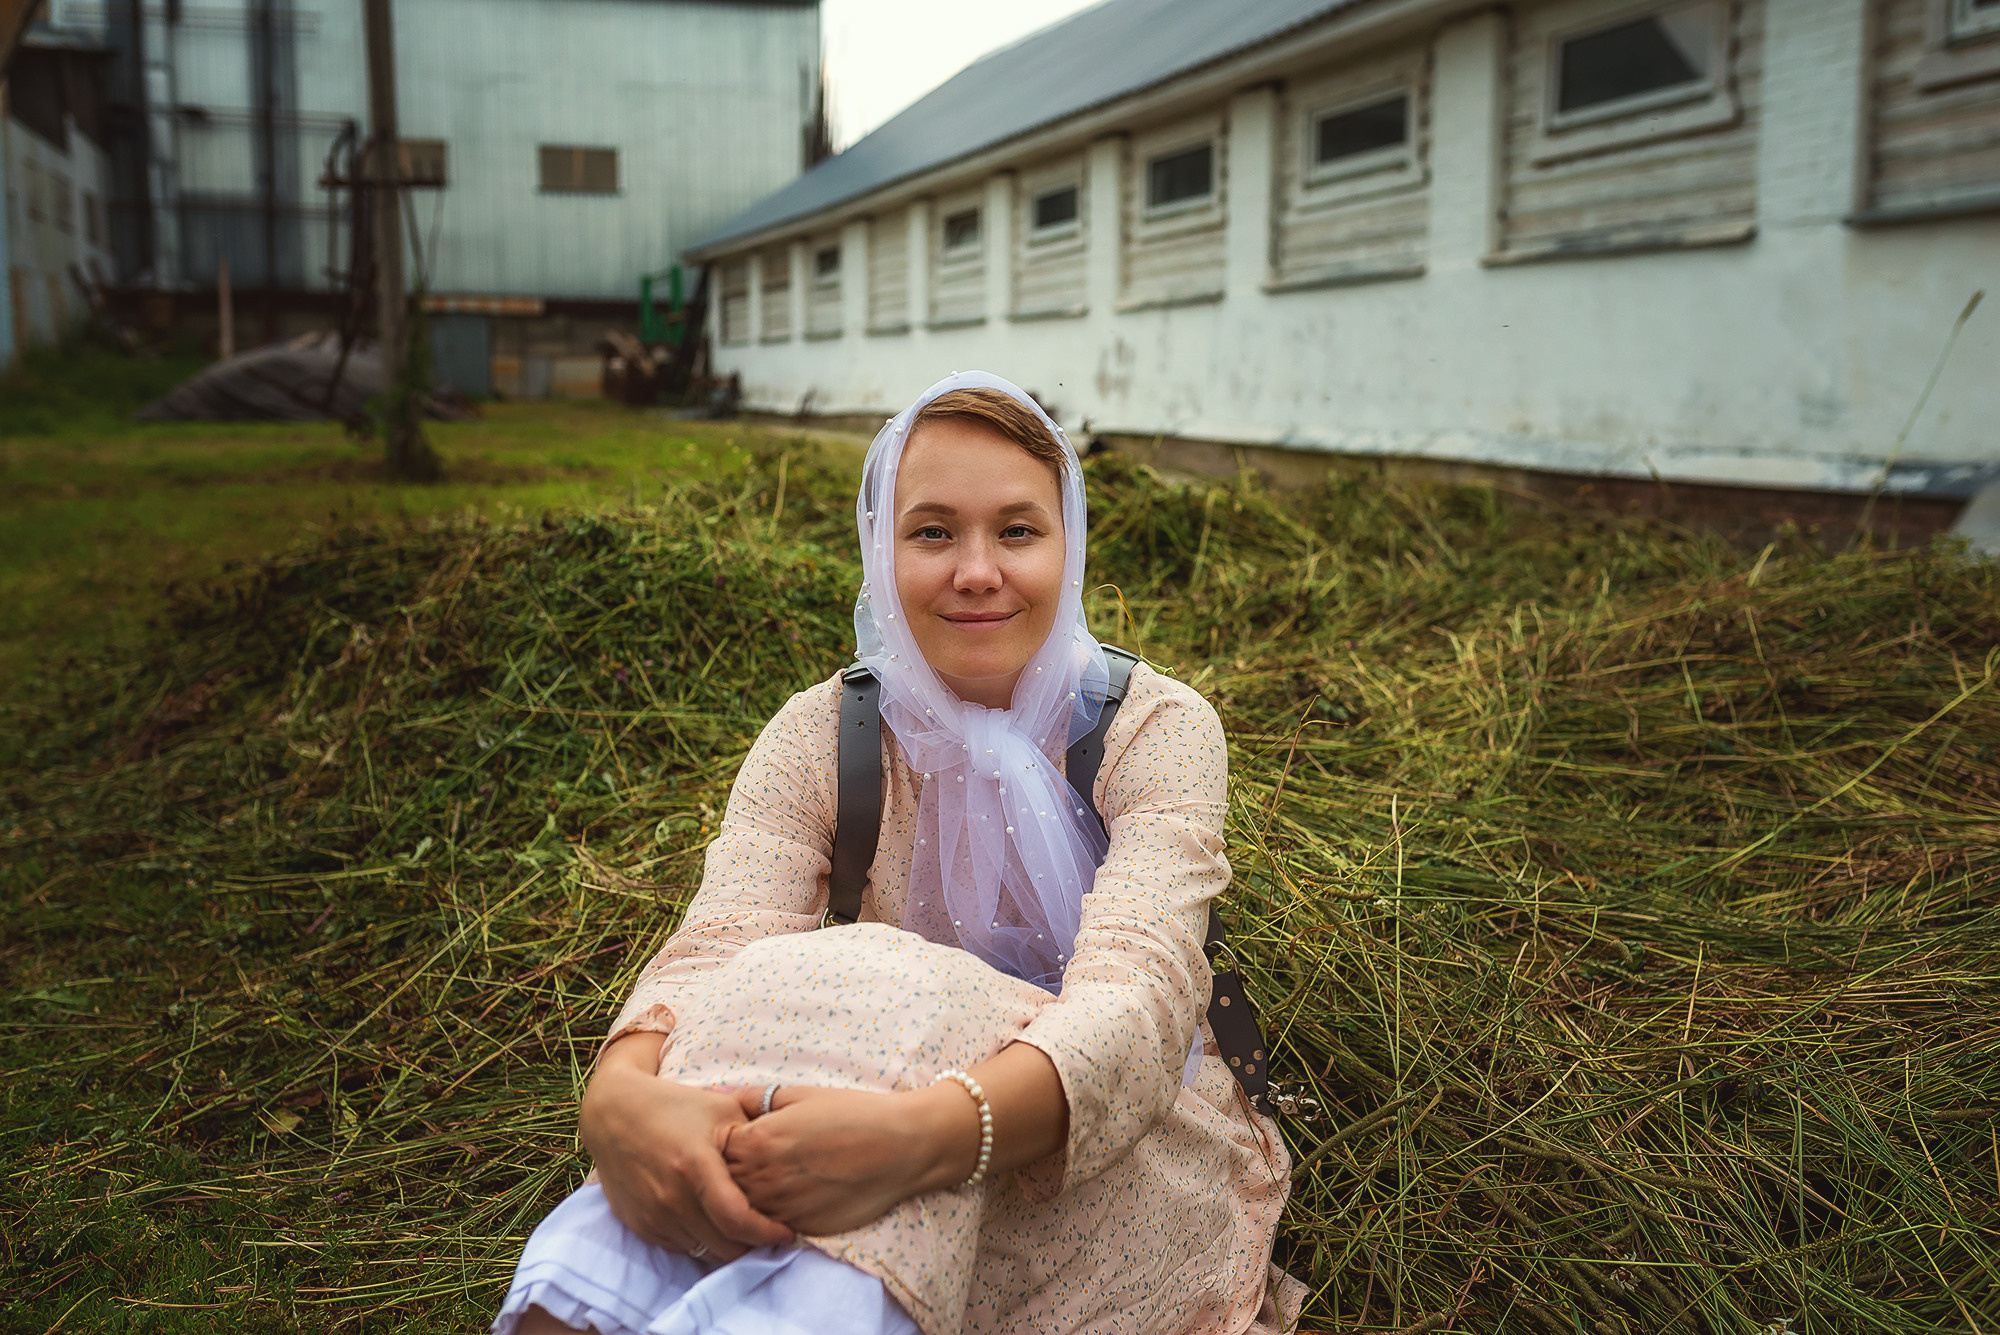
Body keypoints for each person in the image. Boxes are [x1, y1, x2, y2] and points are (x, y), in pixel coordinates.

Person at [493, 372, 1304, 1335]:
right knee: (804, 985)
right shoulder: (820, 732)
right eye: (931, 532)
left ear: (1068, 544)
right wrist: (620, 1104)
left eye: (1017, 530)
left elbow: (1141, 996)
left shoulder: (1154, 727)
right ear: (879, 552)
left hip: (1088, 1129)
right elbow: (721, 943)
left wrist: (919, 1137)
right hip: (848, 1085)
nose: (975, 570)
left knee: (862, 975)